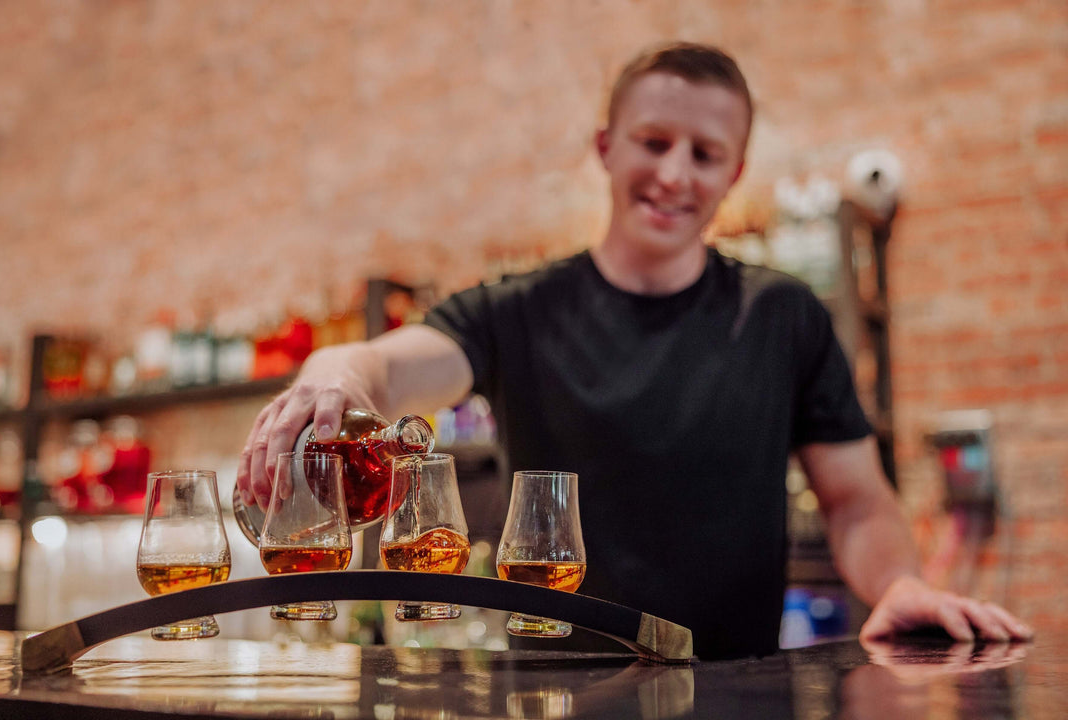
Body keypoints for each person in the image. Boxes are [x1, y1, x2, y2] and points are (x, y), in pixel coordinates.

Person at [236, 41, 1033, 659]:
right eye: (653, 142)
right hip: (555, 694)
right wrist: (333, 378)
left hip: (735, 687)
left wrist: (899, 585)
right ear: (606, 146)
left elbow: (856, 499)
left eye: (704, 154)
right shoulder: (517, 310)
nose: (674, 174)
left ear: (734, 173)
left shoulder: (784, 315)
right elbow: (390, 366)